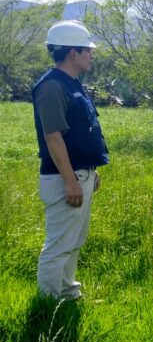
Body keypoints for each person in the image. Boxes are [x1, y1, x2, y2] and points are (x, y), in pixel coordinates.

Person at [32, 20, 109, 300]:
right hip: (65, 177)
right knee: (59, 244)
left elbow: (80, 132)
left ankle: (66, 292)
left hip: (79, 174)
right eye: (86, 50)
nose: (91, 54)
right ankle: (48, 303)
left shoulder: (72, 84)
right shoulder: (52, 87)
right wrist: (70, 180)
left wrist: (89, 170)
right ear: (72, 53)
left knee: (74, 240)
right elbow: (53, 137)